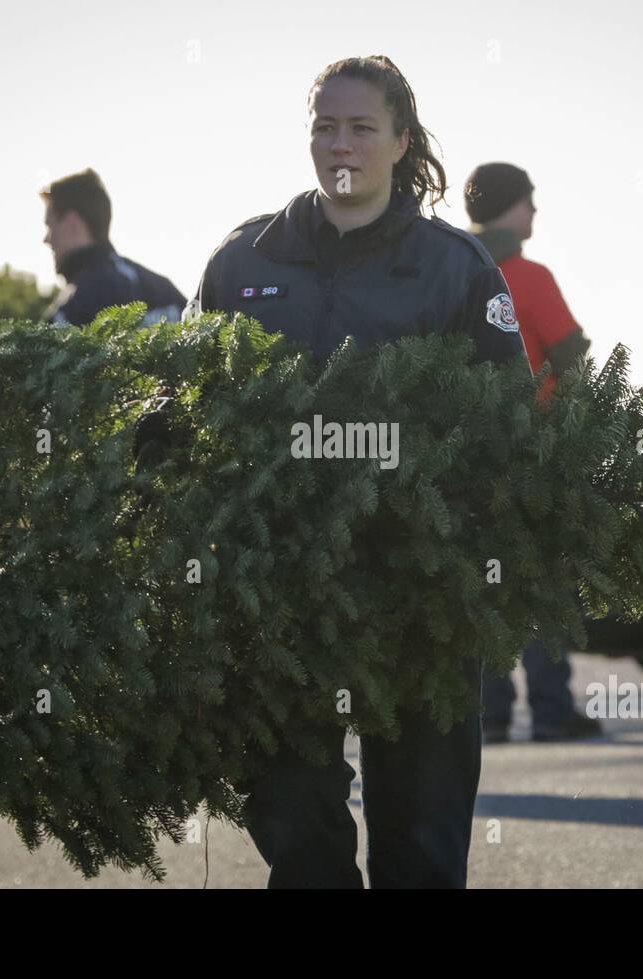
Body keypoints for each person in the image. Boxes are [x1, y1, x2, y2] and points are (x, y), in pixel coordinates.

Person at [183, 55, 528, 887]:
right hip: (279, 596)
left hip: (420, 596)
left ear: (401, 140)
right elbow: (186, 410)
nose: (342, 143)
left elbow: (507, 428)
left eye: (362, 127)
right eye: (325, 126)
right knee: (298, 833)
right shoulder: (243, 262)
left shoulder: (457, 268)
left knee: (420, 844)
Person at [463, 162, 600, 741]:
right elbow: (570, 358)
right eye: (528, 202)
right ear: (509, 207)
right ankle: (549, 708)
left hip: (467, 458)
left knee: (486, 583)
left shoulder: (453, 271)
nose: (535, 212)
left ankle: (490, 713)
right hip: (534, 454)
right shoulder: (529, 275)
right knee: (545, 581)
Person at [41, 168, 186, 327]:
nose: (46, 239)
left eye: (50, 225)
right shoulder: (165, 292)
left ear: (72, 223)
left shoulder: (75, 305)